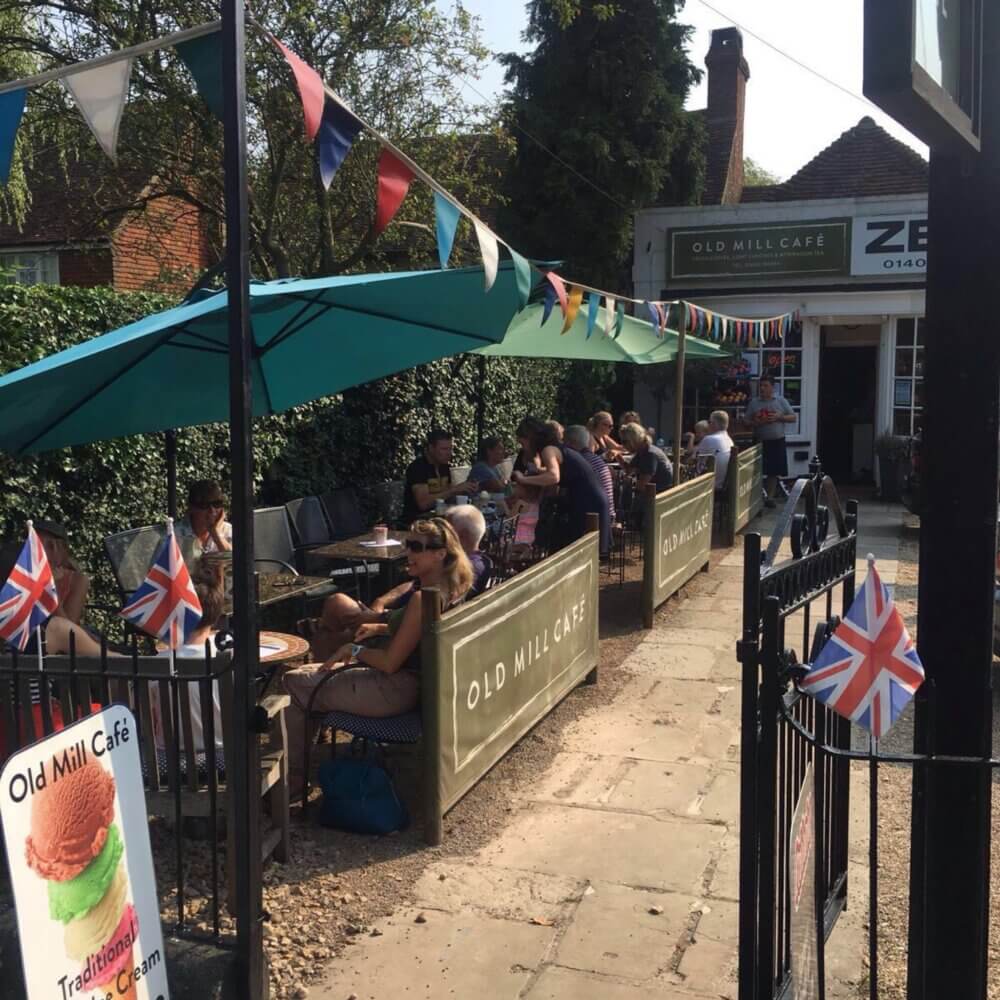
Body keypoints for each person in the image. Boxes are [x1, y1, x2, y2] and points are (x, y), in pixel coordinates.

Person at [281, 517, 473, 795]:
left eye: (417, 547)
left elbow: (390, 662)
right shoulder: (451, 589)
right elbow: (417, 632)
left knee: (293, 682)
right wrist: (382, 625)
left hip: (395, 688)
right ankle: (303, 759)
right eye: (409, 545)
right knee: (310, 675)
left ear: (440, 553)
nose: (409, 552)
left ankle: (294, 780)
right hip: (416, 687)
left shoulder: (423, 599)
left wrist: (354, 649)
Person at [149, 564, 226, 752]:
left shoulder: (156, 665)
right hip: (225, 758)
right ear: (216, 615)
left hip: (168, 762)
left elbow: (148, 718)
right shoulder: (228, 657)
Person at [512, 417, 610, 556]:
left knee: (582, 551)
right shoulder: (556, 447)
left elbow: (553, 476)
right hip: (591, 498)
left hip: (588, 501)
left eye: (523, 443)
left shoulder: (548, 450)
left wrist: (523, 479)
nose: (523, 448)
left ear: (530, 438)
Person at [400, 429, 478, 524]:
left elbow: (448, 497)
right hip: (417, 522)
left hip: (440, 519)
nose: (449, 453)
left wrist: (465, 489)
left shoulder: (445, 467)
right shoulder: (418, 468)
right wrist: (454, 490)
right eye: (444, 449)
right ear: (431, 448)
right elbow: (423, 504)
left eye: (450, 448)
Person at [743, 376, 795, 506]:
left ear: (772, 387)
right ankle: (755, 498)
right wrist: (757, 421)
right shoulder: (754, 403)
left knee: (773, 471)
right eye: (761, 385)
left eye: (765, 385)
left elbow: (793, 417)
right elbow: (745, 421)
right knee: (757, 471)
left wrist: (779, 417)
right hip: (760, 441)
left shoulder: (780, 401)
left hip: (777, 440)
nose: (762, 388)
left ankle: (769, 498)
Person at [35, 521, 89, 624]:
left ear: (57, 548)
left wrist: (51, 588)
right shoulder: (24, 572)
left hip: (55, 637)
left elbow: (68, 629)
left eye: (37, 543)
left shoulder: (77, 580)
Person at [564, 425, 616, 524]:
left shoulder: (579, 461)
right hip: (607, 514)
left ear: (571, 443)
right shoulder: (596, 458)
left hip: (596, 518)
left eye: (564, 442)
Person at [175, 480, 232, 562]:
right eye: (204, 505)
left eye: (217, 504)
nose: (212, 510)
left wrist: (216, 534)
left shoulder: (228, 531)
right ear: (191, 507)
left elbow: (236, 564)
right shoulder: (174, 536)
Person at [443, 506, 492, 596]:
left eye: (448, 532)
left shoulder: (469, 568)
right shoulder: (482, 561)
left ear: (463, 536)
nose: (443, 537)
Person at [619, 422, 674, 493]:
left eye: (624, 442)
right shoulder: (642, 451)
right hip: (654, 494)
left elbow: (642, 485)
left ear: (634, 439)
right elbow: (629, 470)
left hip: (660, 496)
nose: (623, 445)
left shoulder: (649, 454)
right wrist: (618, 456)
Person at [696, 410, 735, 490]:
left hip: (710, 485)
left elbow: (694, 459)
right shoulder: (729, 440)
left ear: (714, 424)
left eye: (709, 422)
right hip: (723, 483)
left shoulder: (709, 439)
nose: (708, 425)